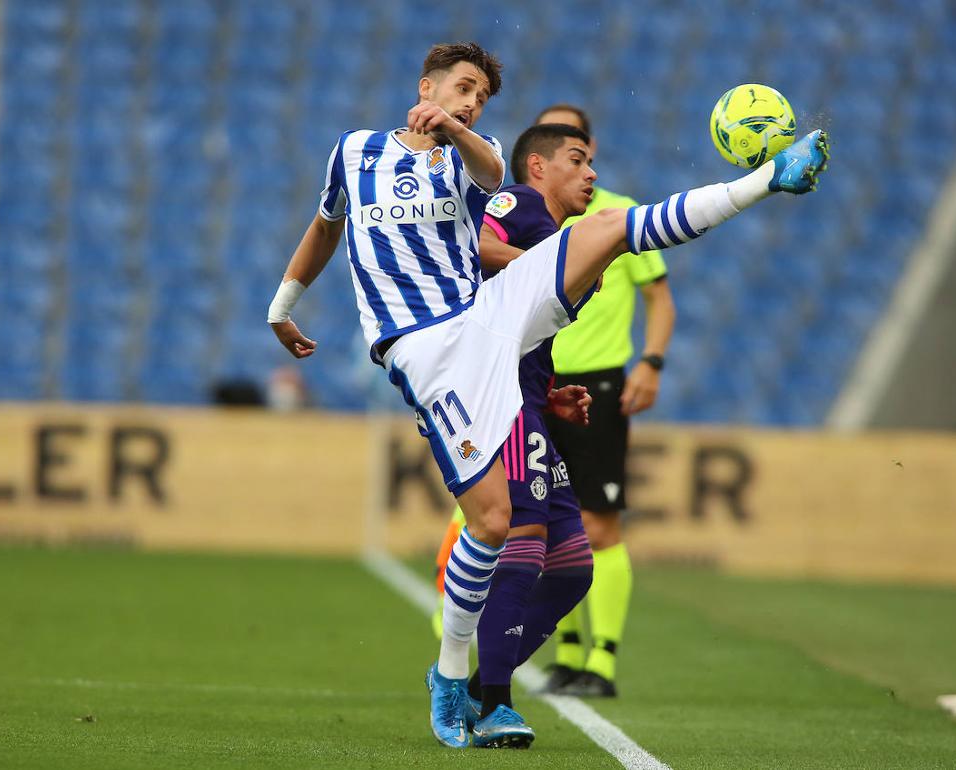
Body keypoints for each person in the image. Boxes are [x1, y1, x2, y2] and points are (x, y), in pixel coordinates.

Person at [268, 42, 829, 749]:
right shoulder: (353, 151)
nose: (472, 102)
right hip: (424, 347)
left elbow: (492, 170)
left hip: (487, 314)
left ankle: (770, 179)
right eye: (463, 89)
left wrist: (457, 129)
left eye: (481, 96)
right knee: (496, 523)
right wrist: (283, 305)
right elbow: (326, 225)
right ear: (426, 85)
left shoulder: (477, 154)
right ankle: (454, 676)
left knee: (607, 230)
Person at [439, 122, 603, 748]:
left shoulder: (558, 236)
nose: (591, 173)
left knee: (571, 568)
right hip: (498, 402)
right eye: (577, 159)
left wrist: (552, 391)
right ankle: (495, 705)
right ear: (537, 165)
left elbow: (523, 324)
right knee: (525, 540)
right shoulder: (519, 202)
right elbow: (477, 245)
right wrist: (549, 263)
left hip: (531, 400)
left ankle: (482, 688)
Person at [534, 104, 674, 698]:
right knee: (542, 525)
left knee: (599, 522)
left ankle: (604, 662)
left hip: (597, 384)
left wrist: (651, 360)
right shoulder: (525, 215)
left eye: (579, 143)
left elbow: (660, 300)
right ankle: (565, 657)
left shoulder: (619, 215)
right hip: (535, 381)